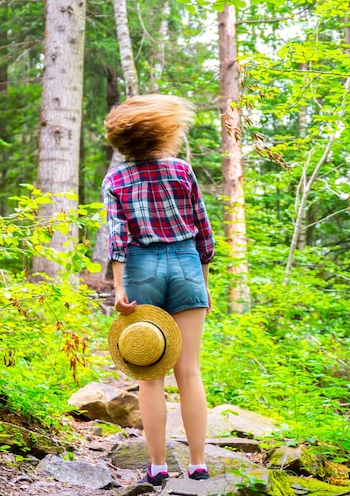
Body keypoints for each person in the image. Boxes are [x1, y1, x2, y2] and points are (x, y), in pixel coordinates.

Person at [102, 94, 214, 486]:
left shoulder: (115, 179)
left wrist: (118, 288)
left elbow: (117, 238)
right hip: (186, 264)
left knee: (150, 375)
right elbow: (203, 230)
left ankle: (158, 466)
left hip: (141, 266)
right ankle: (198, 464)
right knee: (189, 371)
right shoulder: (182, 170)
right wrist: (202, 280)